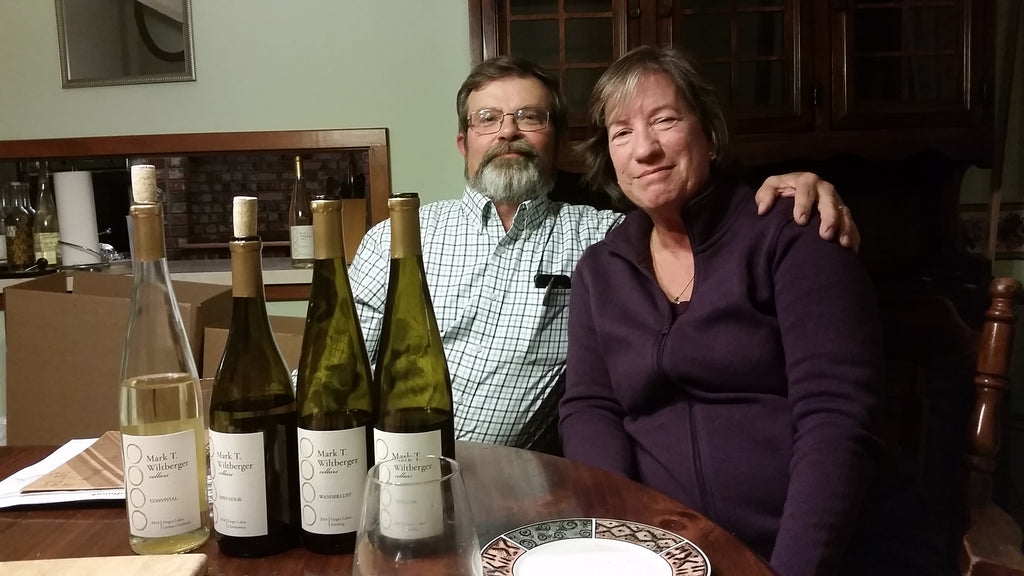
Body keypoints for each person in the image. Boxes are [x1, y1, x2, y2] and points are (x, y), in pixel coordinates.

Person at [349, 55, 859, 453]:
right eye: (487, 119)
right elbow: (343, 375)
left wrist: (796, 182)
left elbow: (684, 204)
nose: (508, 131)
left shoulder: (605, 240)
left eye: (530, 117)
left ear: (558, 142)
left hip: (511, 487)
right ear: (464, 144)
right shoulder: (395, 238)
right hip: (390, 466)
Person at [558, 46, 939, 575]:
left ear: (709, 134)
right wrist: (619, 541)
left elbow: (837, 417)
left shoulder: (793, 231)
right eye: (621, 132)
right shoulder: (601, 270)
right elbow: (590, 408)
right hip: (673, 554)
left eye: (665, 120)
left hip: (825, 554)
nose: (644, 148)